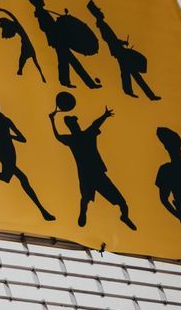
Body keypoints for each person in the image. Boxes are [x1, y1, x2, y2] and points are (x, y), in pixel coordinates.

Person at [49, 91, 134, 229]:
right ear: (74, 126)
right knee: (111, 200)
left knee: (117, 201)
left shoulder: (74, 139)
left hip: (90, 174)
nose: (74, 125)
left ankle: (123, 216)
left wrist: (52, 120)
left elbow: (59, 136)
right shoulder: (84, 136)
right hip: (93, 174)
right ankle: (86, 211)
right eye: (72, 124)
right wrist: (105, 116)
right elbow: (95, 124)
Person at [0, 96, 53, 221]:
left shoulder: (5, 119)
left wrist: (9, 136)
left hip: (10, 149)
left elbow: (23, 139)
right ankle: (43, 211)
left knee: (6, 177)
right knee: (22, 178)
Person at [26, 0, 99, 89]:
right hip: (58, 40)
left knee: (66, 62)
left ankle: (67, 82)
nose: (42, 0)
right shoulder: (41, 13)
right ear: (37, 2)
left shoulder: (42, 12)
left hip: (59, 40)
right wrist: (59, 25)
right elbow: (44, 27)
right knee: (71, 62)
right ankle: (87, 83)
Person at [87, 0, 158, 100]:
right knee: (133, 74)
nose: (101, 12)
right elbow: (110, 39)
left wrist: (121, 42)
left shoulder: (104, 25)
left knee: (127, 73)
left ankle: (133, 92)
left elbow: (112, 39)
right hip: (119, 51)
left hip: (119, 50)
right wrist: (120, 44)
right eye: (99, 11)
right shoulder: (103, 26)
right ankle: (147, 95)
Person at [0, 1, 44, 81]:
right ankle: (21, 70)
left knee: (27, 60)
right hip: (25, 45)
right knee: (23, 60)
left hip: (27, 45)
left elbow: (5, 12)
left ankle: (22, 70)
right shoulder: (14, 28)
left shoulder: (16, 24)